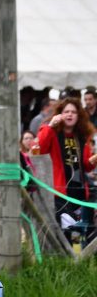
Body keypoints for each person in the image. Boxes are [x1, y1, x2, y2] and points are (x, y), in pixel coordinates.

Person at [32, 97, 97, 244]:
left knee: (84, 229)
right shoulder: (50, 130)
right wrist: (51, 125)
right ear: (59, 114)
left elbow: (86, 165)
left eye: (74, 112)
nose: (70, 114)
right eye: (66, 111)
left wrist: (94, 159)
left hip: (78, 190)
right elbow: (39, 148)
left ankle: (81, 259)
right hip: (58, 191)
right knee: (63, 232)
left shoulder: (81, 136)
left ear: (78, 116)